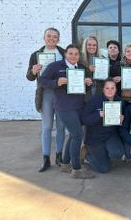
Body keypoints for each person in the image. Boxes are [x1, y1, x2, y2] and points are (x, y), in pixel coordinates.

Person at [39, 44, 94, 179]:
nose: (73, 56)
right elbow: (42, 80)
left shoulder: (81, 68)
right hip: (64, 107)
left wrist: (89, 83)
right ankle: (76, 169)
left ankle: (64, 164)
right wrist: (56, 82)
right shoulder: (55, 66)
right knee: (77, 135)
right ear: (65, 54)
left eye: (76, 54)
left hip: (79, 106)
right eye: (70, 53)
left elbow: (84, 88)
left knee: (74, 135)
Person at [26, 27, 66, 172]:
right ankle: (46, 158)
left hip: (61, 93)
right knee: (47, 127)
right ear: (44, 37)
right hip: (46, 94)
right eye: (49, 36)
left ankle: (59, 156)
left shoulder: (63, 53)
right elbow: (29, 77)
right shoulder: (36, 55)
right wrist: (33, 71)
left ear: (58, 39)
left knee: (61, 127)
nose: (51, 39)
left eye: (55, 37)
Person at [81, 79, 125, 173]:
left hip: (110, 135)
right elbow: (84, 119)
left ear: (116, 89)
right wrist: (98, 115)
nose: (110, 90)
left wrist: (121, 120)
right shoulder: (94, 100)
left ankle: (104, 155)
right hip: (95, 137)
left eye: (112, 88)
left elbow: (123, 124)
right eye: (107, 88)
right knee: (103, 169)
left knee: (117, 153)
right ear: (103, 90)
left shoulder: (120, 102)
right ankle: (87, 155)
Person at [80, 36, 103, 101]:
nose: (92, 47)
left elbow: (105, 76)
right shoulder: (80, 59)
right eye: (89, 45)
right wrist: (88, 70)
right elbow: (76, 75)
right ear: (85, 46)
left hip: (99, 91)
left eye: (94, 45)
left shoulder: (102, 59)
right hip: (85, 93)